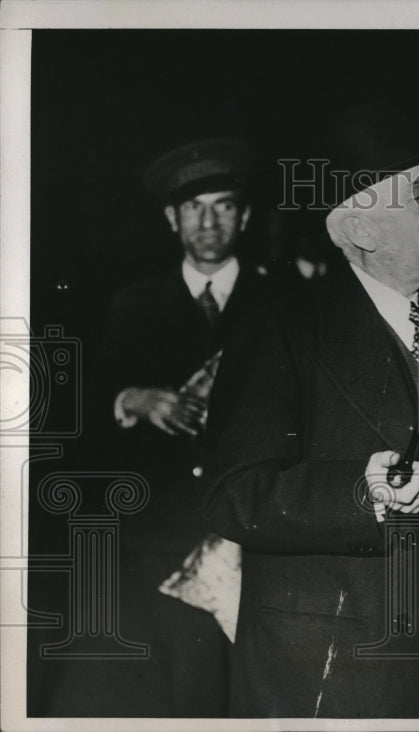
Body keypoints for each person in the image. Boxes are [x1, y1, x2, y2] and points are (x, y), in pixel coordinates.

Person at [203, 102, 419, 718]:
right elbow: (235, 493)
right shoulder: (283, 328)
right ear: (361, 229)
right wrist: (361, 494)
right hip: (334, 669)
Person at [58, 138, 267, 716]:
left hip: (251, 537)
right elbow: (85, 415)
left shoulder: (283, 302)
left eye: (223, 205)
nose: (208, 221)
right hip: (156, 539)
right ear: (172, 219)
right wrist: (134, 399)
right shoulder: (133, 304)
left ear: (244, 216)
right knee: (167, 695)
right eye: (194, 208)